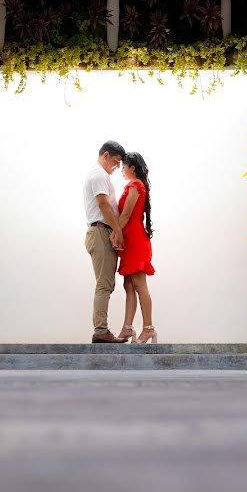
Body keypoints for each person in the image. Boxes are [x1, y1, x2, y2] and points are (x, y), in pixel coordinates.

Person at [83, 140, 130, 343]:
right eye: (116, 161)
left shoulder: (98, 175)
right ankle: (100, 331)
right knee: (104, 284)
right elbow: (103, 203)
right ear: (105, 156)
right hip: (100, 232)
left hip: (101, 232)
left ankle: (101, 330)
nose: (117, 167)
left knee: (106, 284)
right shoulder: (99, 174)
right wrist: (117, 229)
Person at [115, 152, 157, 344]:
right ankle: (127, 327)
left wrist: (114, 232)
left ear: (132, 168)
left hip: (135, 240)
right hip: (130, 240)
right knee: (129, 286)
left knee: (140, 285)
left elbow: (125, 215)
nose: (122, 170)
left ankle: (148, 328)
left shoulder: (135, 185)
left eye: (123, 167)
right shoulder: (136, 186)